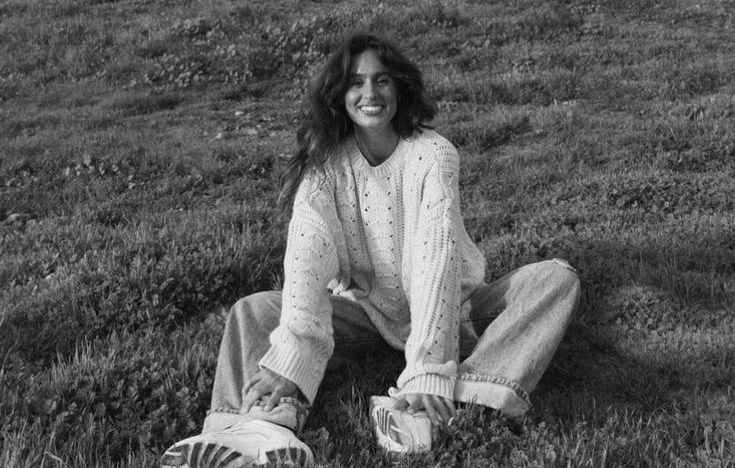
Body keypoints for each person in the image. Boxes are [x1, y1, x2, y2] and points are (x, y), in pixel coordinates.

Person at [161, 33, 580, 467]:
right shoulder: (325, 165)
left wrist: (428, 370)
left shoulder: (433, 155)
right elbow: (306, 258)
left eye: (382, 81)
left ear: (400, 87)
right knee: (253, 310)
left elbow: (435, 265)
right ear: (340, 95)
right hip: (367, 316)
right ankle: (255, 429)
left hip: (454, 310)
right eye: (356, 83)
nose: (370, 94)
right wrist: (290, 358)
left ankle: (444, 402)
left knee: (555, 279)